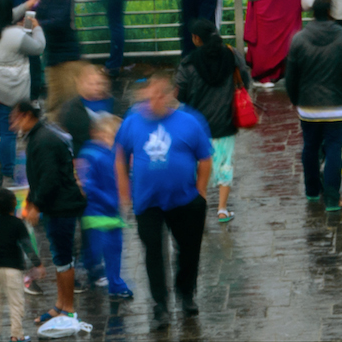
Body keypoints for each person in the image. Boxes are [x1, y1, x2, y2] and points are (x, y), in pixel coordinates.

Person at [115, 69, 213, 326]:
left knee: (189, 250)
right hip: (147, 202)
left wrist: (200, 192)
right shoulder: (132, 123)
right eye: (151, 94)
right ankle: (160, 306)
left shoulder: (189, 121)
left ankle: (186, 293)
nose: (156, 100)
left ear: (171, 95)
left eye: (161, 95)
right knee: (153, 253)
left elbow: (205, 157)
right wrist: (124, 191)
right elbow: (120, 155)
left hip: (185, 199)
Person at [282, 0, 342, 211]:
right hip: (336, 106)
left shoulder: (298, 39)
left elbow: (291, 77)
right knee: (334, 148)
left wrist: (296, 100)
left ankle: (311, 192)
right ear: (331, 12)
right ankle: (332, 199)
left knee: (310, 147)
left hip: (308, 107)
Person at [12, 100, 86, 332]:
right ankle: (60, 305)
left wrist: (36, 205)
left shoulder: (41, 140)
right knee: (60, 257)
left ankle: (69, 309)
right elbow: (40, 178)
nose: (14, 126)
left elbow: (49, 179)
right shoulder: (40, 136)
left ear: (26, 116)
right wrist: (32, 202)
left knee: (64, 259)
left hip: (61, 207)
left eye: (15, 119)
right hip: (56, 206)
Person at [175, 17, 245, 223]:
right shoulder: (232, 56)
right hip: (225, 123)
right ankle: (222, 209)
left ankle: (200, 207)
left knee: (198, 168)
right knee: (225, 165)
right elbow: (245, 80)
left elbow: (180, 94)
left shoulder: (188, 63)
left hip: (197, 128)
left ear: (197, 39)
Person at [0, 0, 45, 181]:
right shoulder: (15, 35)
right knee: (8, 133)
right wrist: (36, 28)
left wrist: (24, 6)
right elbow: (38, 48)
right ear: (7, 14)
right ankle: (7, 176)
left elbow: (3, 16)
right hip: (9, 88)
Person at [75, 112, 133, 302]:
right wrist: (110, 200)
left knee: (113, 249)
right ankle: (98, 273)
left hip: (110, 212)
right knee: (104, 247)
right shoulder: (90, 155)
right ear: (98, 134)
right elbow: (88, 185)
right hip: (97, 212)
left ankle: (112, 282)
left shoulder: (110, 155)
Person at [0, 187, 37, 342]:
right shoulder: (18, 224)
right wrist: (37, 264)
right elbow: (27, 245)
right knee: (16, 304)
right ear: (14, 205)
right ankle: (16, 336)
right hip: (13, 270)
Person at [28, 0, 82, 112]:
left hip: (67, 58)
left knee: (68, 103)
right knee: (55, 105)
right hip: (52, 57)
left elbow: (60, 22)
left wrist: (37, 25)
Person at [56, 61, 114, 154]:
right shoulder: (70, 110)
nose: (96, 87)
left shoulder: (113, 103)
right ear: (81, 83)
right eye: (91, 84)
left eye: (100, 83)